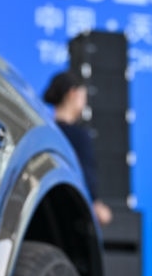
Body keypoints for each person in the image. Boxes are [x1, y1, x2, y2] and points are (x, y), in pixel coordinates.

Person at [42, 70, 113, 226]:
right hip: (71, 216)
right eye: (83, 97)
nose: (85, 104)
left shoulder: (43, 131)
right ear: (72, 94)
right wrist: (96, 205)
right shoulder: (79, 136)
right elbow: (87, 176)